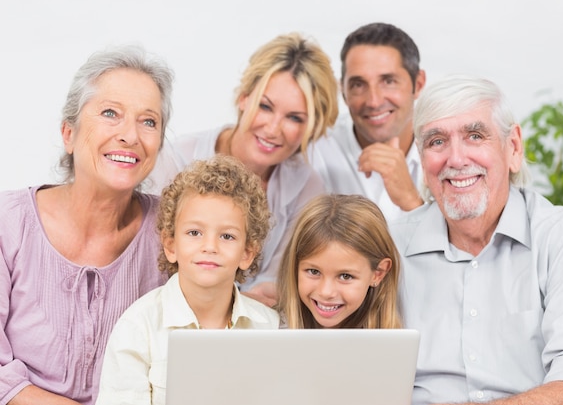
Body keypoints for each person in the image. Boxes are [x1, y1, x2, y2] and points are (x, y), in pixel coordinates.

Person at [390, 74, 563, 404]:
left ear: (513, 148)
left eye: (475, 136)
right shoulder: (391, 246)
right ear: (423, 161)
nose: (455, 159)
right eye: (436, 142)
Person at [0, 45, 174, 405]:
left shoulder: (171, 233)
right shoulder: (8, 222)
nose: (130, 135)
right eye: (111, 113)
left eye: (149, 121)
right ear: (69, 134)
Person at [146, 32, 338, 307]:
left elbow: (286, 279)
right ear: (244, 98)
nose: (273, 129)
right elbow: (154, 265)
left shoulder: (307, 186)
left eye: (294, 118)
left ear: (312, 127)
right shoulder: (176, 159)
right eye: (265, 106)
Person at [95, 155, 280, 405]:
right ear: (171, 245)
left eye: (227, 236)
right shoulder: (139, 327)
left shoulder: (269, 327)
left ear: (247, 253)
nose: (210, 246)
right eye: (195, 233)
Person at [309, 22, 426, 222]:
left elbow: (466, 250)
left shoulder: (451, 152)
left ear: (418, 84)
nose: (374, 101)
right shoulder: (314, 152)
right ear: (343, 91)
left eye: (388, 81)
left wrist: (411, 201)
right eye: (358, 85)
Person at [277, 193, 401, 329]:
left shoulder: (395, 348)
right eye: (314, 271)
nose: (326, 292)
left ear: (378, 273)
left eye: (345, 276)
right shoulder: (270, 332)